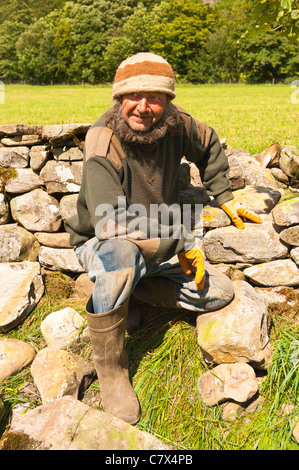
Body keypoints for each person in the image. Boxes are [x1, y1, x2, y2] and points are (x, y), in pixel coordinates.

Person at [65, 52, 262, 425]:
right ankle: (111, 371)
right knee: (121, 256)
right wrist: (183, 243)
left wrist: (225, 197)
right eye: (133, 97)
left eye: (155, 97)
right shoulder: (102, 142)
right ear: (118, 98)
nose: (143, 107)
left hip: (156, 242)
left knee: (219, 292)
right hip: (103, 243)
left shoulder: (177, 125)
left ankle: (131, 291)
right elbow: (111, 225)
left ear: (168, 101)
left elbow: (208, 143)